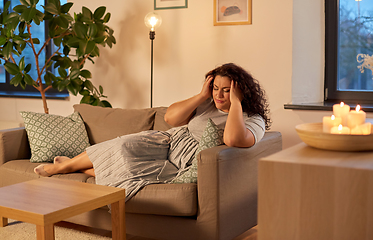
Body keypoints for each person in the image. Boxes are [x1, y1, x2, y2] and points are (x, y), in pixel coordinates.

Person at [34, 63, 271, 201]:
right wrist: (202, 95)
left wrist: (236, 103)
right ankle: (63, 167)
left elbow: (232, 139)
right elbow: (170, 118)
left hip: (182, 162)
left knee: (133, 173)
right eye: (216, 88)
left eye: (227, 90)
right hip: (167, 141)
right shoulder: (208, 101)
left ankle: (75, 167)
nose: (219, 95)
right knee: (122, 146)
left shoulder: (253, 118)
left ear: (241, 91)